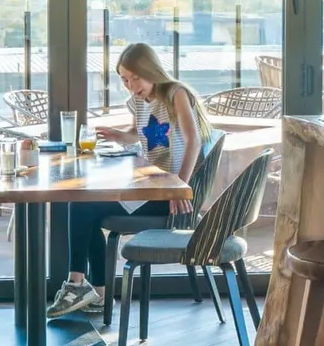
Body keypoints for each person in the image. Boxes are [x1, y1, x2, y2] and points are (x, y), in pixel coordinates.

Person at [47, 42, 206, 321]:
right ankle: (96, 293)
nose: (131, 85)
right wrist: (118, 135)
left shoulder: (175, 93)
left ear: (151, 71)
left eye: (135, 78)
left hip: (171, 197)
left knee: (83, 205)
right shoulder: (137, 102)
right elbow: (141, 133)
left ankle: (77, 285)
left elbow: (194, 140)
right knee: (85, 205)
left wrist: (180, 186)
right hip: (154, 188)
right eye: (124, 79)